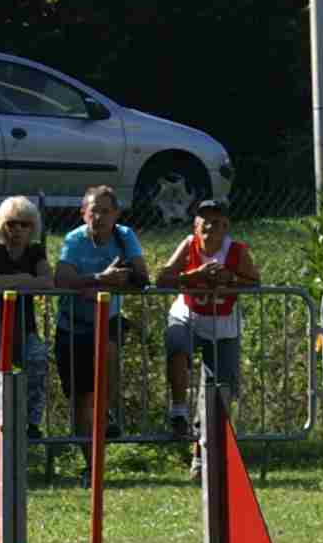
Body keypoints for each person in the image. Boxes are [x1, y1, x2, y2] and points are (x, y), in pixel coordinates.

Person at [52, 184, 148, 449]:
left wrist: (116, 282)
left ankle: (106, 410)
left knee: (108, 349)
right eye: (94, 211)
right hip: (72, 324)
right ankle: (90, 462)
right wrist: (100, 278)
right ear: (84, 213)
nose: (99, 217)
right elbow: (62, 279)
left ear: (116, 214)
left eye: (106, 211)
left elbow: (142, 278)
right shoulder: (74, 239)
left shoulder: (125, 236)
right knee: (80, 399)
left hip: (107, 318)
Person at [160, 196, 259, 443]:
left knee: (222, 389)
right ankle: (178, 412)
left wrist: (231, 279)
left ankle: (204, 441)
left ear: (226, 227)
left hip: (222, 324)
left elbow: (255, 283)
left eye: (216, 222)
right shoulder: (188, 245)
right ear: (195, 225)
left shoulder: (237, 251)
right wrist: (194, 275)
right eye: (204, 220)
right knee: (176, 345)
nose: (210, 226)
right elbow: (162, 279)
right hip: (188, 314)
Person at [0, 195, 51, 442]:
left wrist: (7, 282)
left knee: (38, 362)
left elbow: (47, 282)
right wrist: (25, 280)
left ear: (32, 227)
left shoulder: (36, 252)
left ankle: (31, 424)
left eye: (24, 224)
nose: (17, 229)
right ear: (2, 225)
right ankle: (0, 431)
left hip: (24, 330)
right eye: (11, 223)